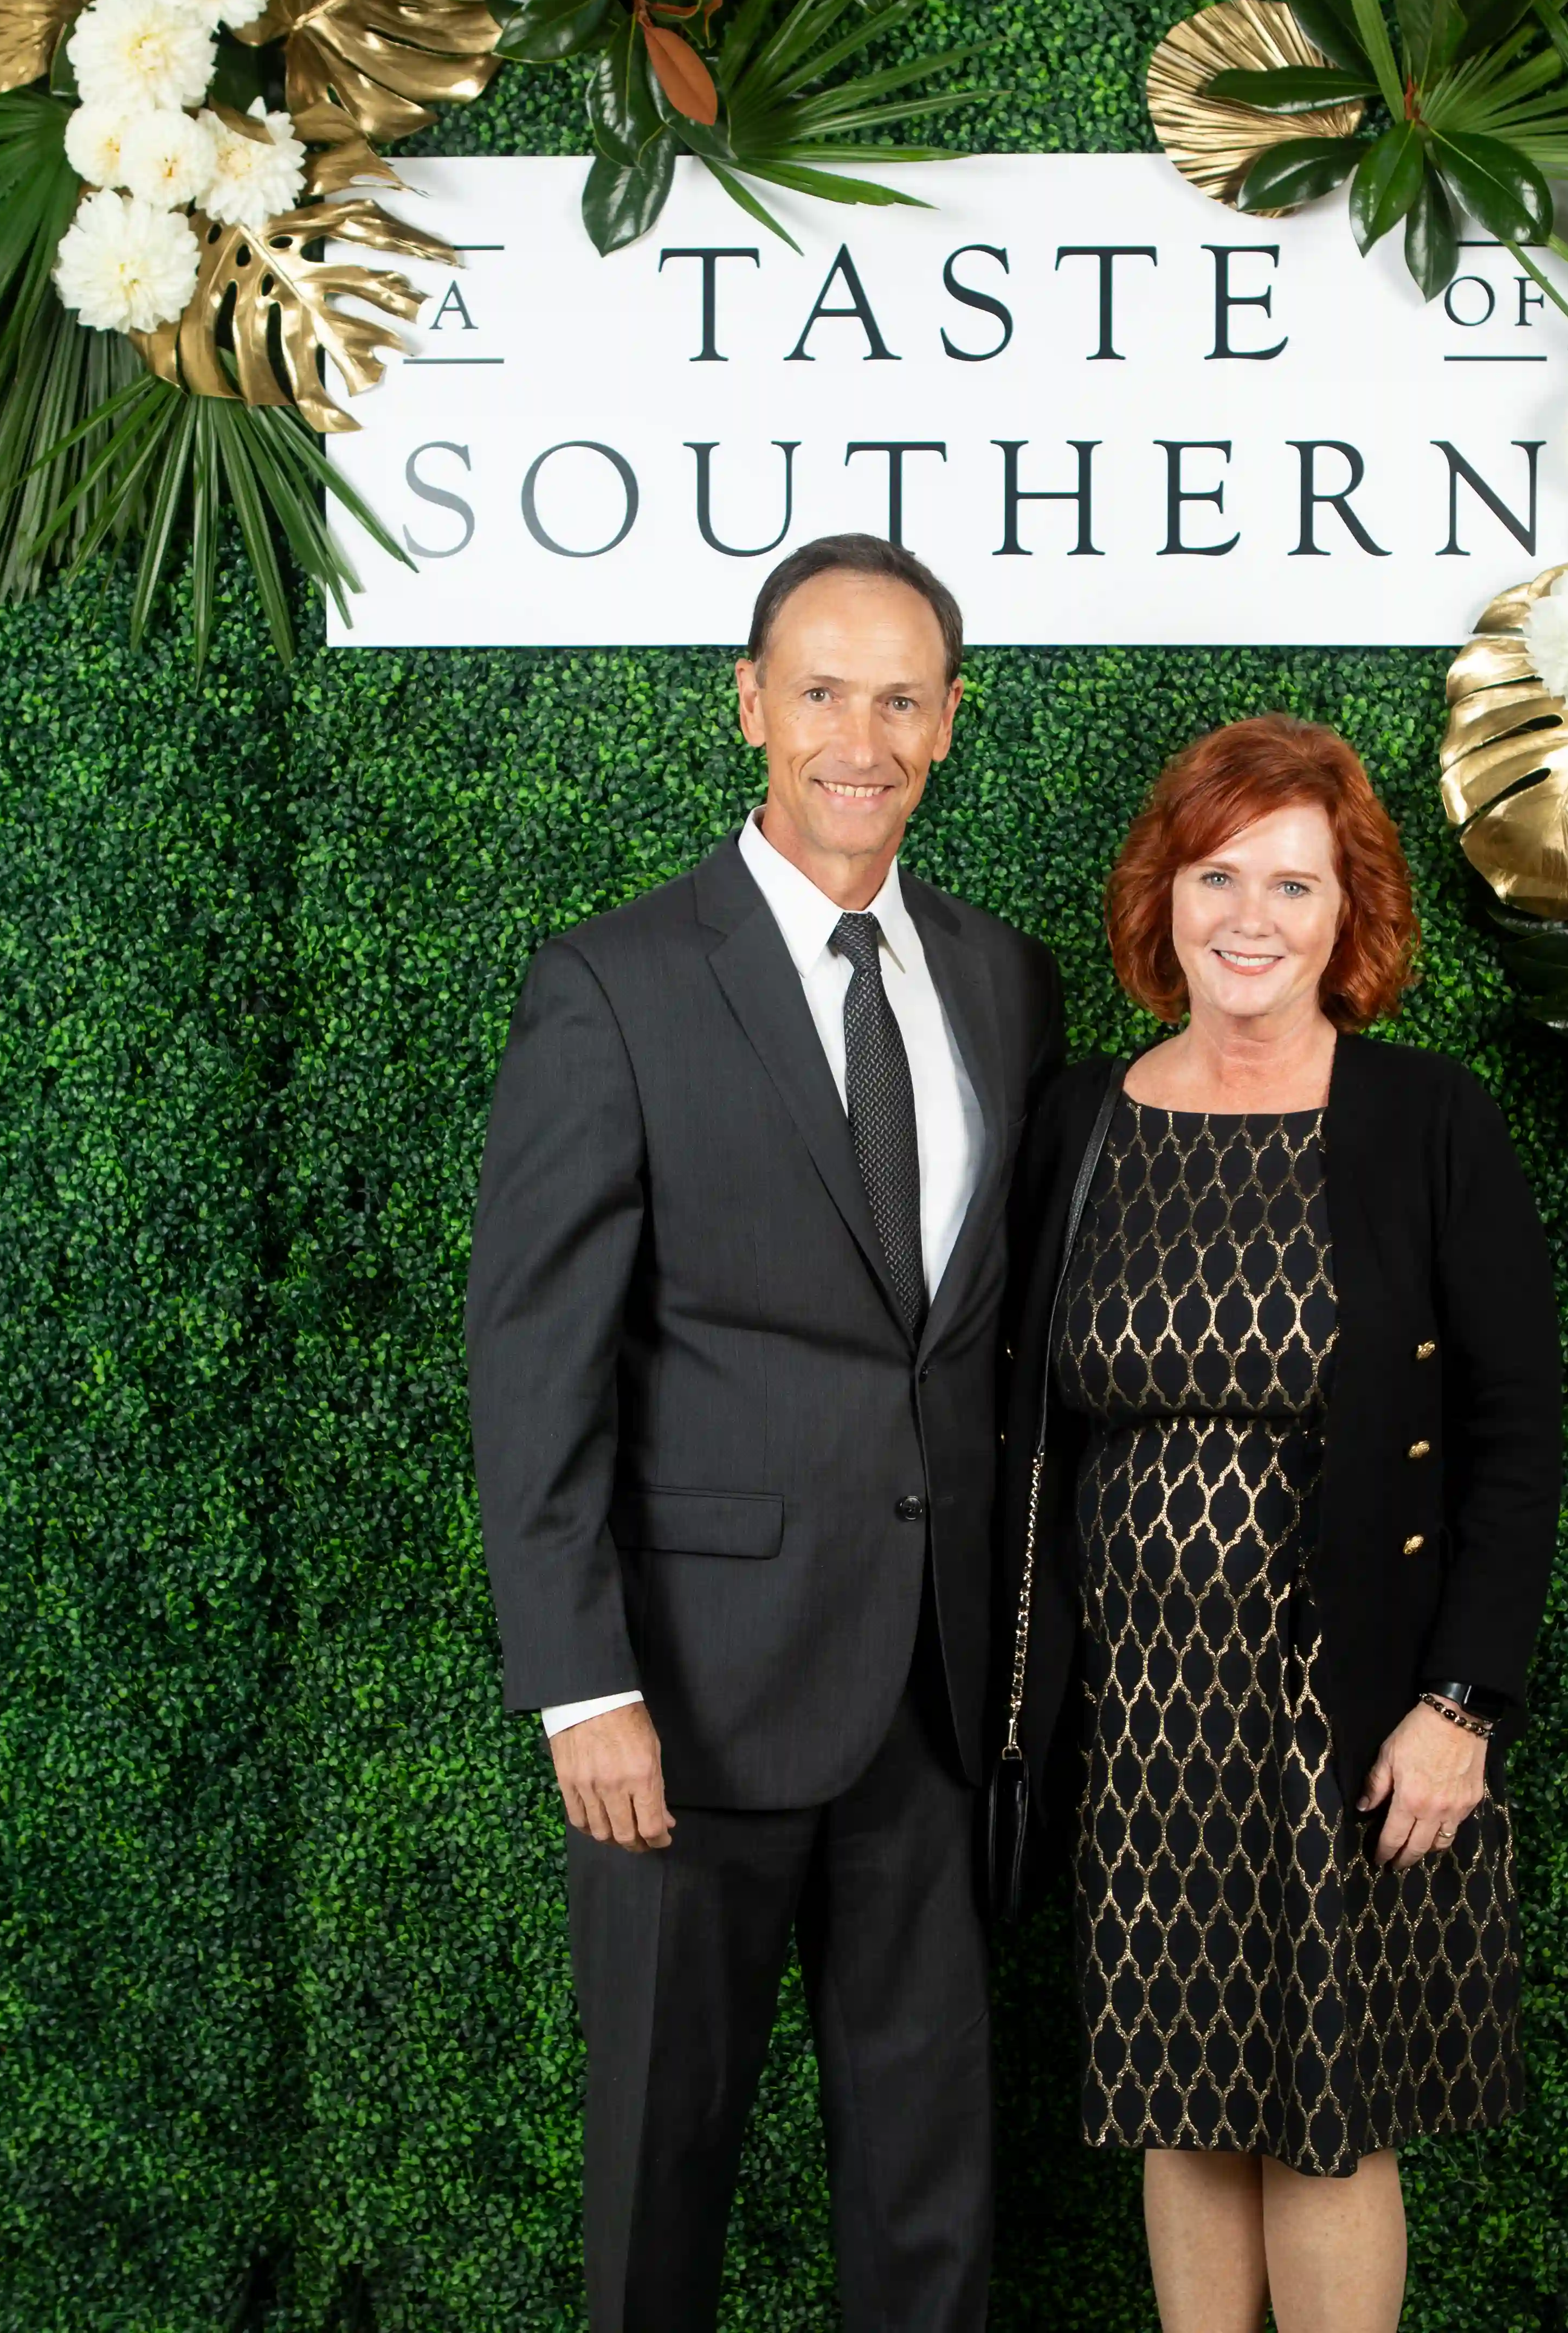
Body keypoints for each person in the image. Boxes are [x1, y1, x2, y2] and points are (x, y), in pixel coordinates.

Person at [468, 534, 1063, 2333]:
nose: (857, 736)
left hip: (937, 1704)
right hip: (687, 1707)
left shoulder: (1005, 982)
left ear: (951, 724)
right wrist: (583, 1685)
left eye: (899, 698)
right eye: (821, 691)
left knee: (931, 2192)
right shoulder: (616, 983)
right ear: (749, 704)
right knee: (664, 2179)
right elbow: (534, 1355)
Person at [990, 714, 1560, 2333]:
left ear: (1348, 915)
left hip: (1349, 1704)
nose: (1250, 915)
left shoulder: (1426, 1120)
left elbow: (1517, 1442)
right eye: (1216, 872)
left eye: (1293, 884)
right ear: (1162, 898)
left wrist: (1461, 1711)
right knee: (1180, 2101)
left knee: (1326, 2116)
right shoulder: (1076, 1123)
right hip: (1139, 1709)